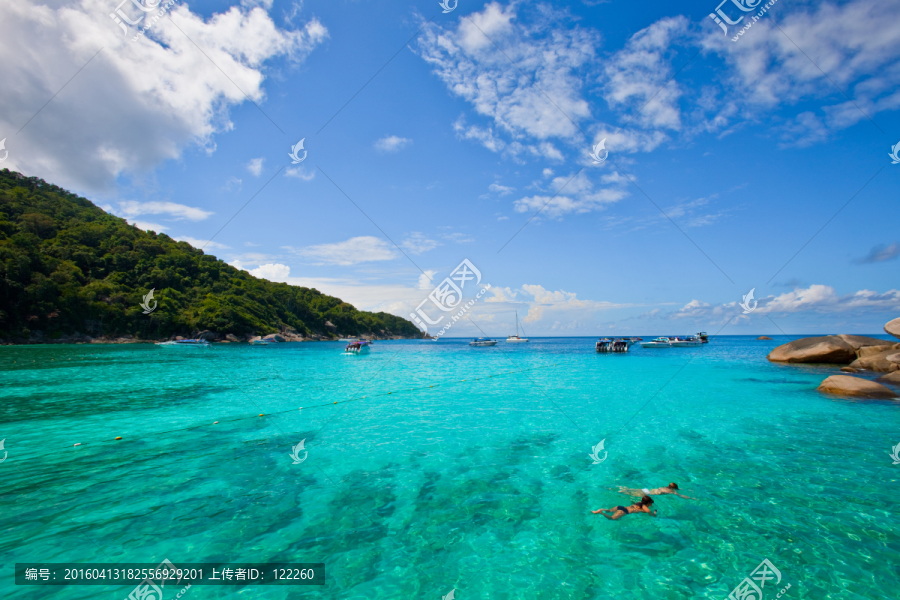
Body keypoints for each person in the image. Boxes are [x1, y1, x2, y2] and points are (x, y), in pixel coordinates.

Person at [592, 495, 657, 520]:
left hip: (620, 507)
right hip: (624, 511)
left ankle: (601, 510)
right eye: (651, 503)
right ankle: (601, 512)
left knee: (608, 510)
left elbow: (633, 503)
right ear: (648, 503)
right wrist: (654, 512)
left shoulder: (638, 503)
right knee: (612, 518)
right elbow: (652, 516)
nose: (651, 504)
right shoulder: (646, 509)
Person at [616, 482, 696, 500]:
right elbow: (680, 495)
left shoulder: (665, 487)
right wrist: (691, 498)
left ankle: (623, 488)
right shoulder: (671, 491)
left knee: (632, 490)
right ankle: (622, 491)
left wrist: (686, 490)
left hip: (647, 490)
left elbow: (677, 489)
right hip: (648, 493)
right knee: (631, 494)